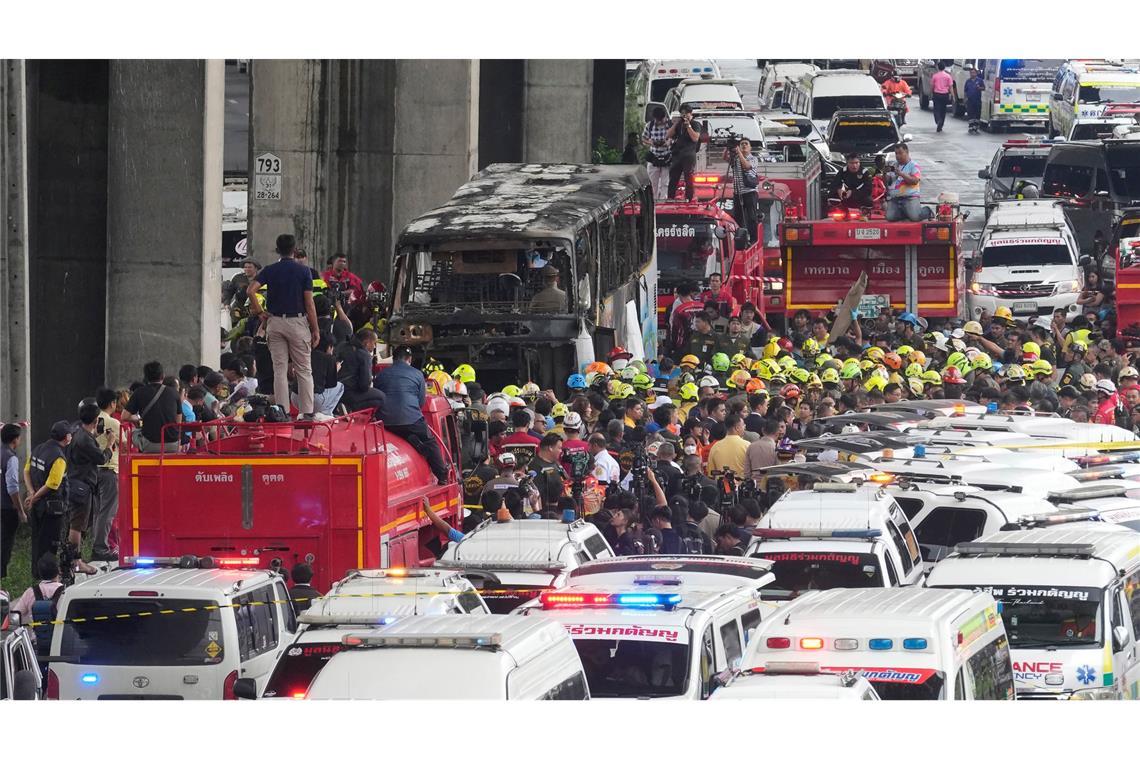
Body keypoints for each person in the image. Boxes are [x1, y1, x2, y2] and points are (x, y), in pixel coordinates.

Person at [247, 234, 319, 420]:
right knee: (303, 369)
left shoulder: (270, 270)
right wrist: (315, 328)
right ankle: (307, 413)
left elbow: (250, 290)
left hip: (274, 322)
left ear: (277, 250)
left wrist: (259, 311)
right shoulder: (304, 272)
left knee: (279, 370)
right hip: (297, 322)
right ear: (294, 250)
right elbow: (309, 303)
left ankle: (282, 412)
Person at [373, 345, 450, 483]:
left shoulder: (381, 375)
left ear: (394, 359)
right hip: (411, 420)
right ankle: (442, 476)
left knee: (404, 433)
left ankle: (414, 443)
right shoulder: (417, 374)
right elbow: (421, 402)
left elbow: (377, 397)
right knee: (430, 442)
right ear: (409, 359)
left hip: (385, 422)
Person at [24, 421, 73, 579]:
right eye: (70, 434)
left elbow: (26, 471)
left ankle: (36, 574)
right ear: (66, 438)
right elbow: (53, 484)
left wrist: (32, 493)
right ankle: (48, 578)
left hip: (37, 505)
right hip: (51, 507)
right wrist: (35, 496)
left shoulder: (38, 448)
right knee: (49, 543)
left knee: (37, 541)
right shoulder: (59, 457)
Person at [122, 361, 182, 452]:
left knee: (133, 431)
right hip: (174, 444)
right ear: (163, 375)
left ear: (146, 377)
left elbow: (124, 416)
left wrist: (138, 418)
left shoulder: (139, 392)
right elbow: (178, 422)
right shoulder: (174, 393)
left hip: (150, 445)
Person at [337, 328, 386, 415]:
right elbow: (364, 385)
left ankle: (342, 405)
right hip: (349, 392)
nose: (375, 346)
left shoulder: (342, 345)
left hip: (334, 390)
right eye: (374, 343)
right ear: (366, 343)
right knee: (381, 397)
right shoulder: (364, 355)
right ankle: (349, 408)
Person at [1, 423, 25, 578]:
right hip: (7, 508)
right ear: (15, 440)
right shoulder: (11, 458)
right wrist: (21, 511)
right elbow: (12, 488)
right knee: (5, 544)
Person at [299, 336, 343, 419]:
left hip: (295, 398)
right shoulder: (329, 358)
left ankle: (305, 412)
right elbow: (330, 385)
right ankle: (326, 413)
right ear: (329, 347)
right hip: (314, 400)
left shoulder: (305, 353)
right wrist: (335, 371)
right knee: (340, 386)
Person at [726, 138, 761, 242]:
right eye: (742, 144)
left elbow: (746, 166)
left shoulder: (753, 159)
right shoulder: (735, 159)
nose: (744, 145)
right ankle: (740, 240)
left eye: (746, 144)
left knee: (751, 218)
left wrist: (739, 153)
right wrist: (728, 148)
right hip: (738, 192)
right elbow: (725, 158)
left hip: (750, 192)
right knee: (738, 218)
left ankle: (754, 240)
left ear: (750, 147)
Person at [667, 104, 701, 202]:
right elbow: (668, 135)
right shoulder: (679, 124)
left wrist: (688, 126)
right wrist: (676, 123)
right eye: (682, 114)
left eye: (686, 114)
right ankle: (670, 198)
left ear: (690, 114)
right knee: (673, 177)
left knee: (688, 177)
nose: (684, 116)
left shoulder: (695, 124)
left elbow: (695, 138)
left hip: (689, 154)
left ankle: (689, 198)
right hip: (678, 154)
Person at [885, 143, 923, 222]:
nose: (898, 156)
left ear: (907, 152)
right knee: (890, 217)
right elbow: (887, 182)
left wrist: (901, 174)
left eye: (900, 153)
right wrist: (884, 174)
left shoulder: (914, 166)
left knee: (915, 217)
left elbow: (915, 181)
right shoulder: (893, 165)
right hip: (895, 198)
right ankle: (905, 213)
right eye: (896, 153)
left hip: (910, 197)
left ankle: (927, 211)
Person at [642, 106, 672, 200]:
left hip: (667, 157)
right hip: (654, 157)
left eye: (662, 119)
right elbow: (644, 139)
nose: (660, 121)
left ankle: (663, 201)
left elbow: (675, 137)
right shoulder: (649, 125)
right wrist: (651, 143)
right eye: (658, 120)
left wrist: (668, 142)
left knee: (665, 183)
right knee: (652, 183)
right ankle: (653, 201)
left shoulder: (670, 125)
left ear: (665, 117)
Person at [706, 413, 750, 478]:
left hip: (721, 486)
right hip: (742, 486)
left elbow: (711, 474)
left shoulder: (715, 447)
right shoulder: (747, 445)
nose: (745, 427)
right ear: (737, 428)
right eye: (743, 425)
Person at [930, 62, 955, 133]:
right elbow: (951, 87)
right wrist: (952, 96)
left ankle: (938, 121)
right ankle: (941, 124)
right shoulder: (948, 76)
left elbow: (932, 86)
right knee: (943, 110)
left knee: (936, 109)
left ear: (938, 67)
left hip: (937, 94)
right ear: (944, 68)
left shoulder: (935, 76)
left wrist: (931, 92)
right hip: (945, 94)